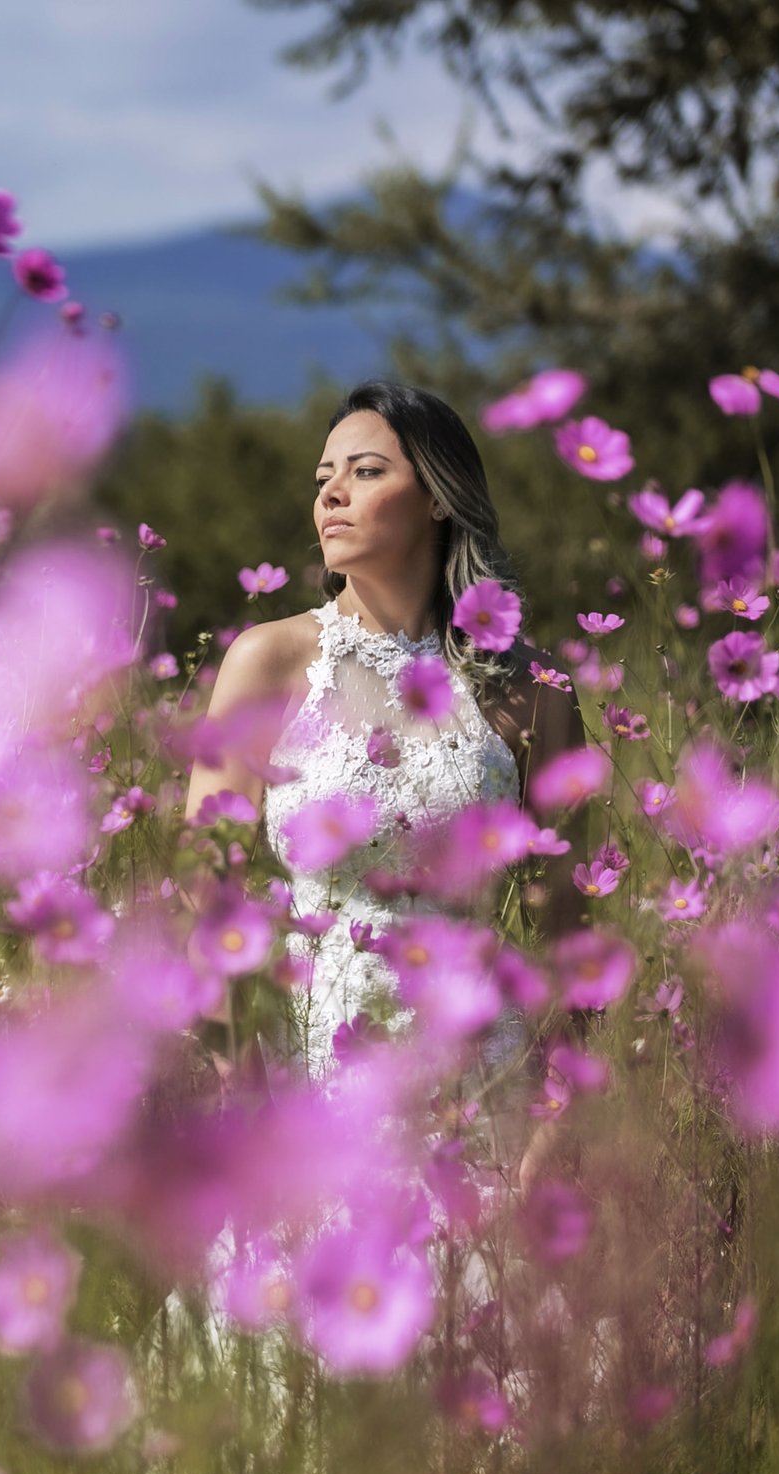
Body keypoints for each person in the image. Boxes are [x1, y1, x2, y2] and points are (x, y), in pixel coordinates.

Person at [183, 381, 583, 1183]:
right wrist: (243, 1092)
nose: (331, 492)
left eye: (365, 471)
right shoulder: (270, 663)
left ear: (438, 498)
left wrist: (551, 1134)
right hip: (314, 1083)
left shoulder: (532, 689)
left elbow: (578, 941)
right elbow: (204, 895)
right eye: (323, 477)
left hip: (481, 1090)